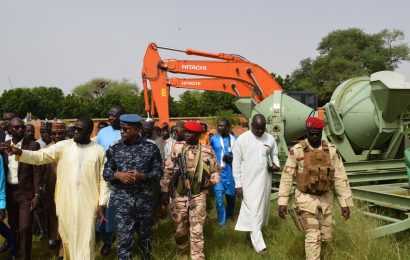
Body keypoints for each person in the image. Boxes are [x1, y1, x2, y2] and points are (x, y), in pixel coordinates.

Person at [1, 117, 109, 259]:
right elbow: (40, 157)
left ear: (89, 131)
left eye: (79, 130)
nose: (75, 132)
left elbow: (104, 180)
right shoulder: (63, 146)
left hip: (88, 202)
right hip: (65, 201)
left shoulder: (99, 151)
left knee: (86, 238)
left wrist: (102, 203)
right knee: (67, 237)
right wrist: (20, 153)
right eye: (75, 128)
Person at [278, 117, 353, 260]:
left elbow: (340, 176)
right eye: (311, 133)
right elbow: (287, 176)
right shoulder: (298, 150)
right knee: (313, 237)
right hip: (305, 199)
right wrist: (282, 202)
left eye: (317, 133)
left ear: (321, 132)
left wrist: (345, 204)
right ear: (306, 132)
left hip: (326, 200)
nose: (314, 136)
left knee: (326, 237)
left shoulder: (331, 150)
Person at [103, 114, 163, 260]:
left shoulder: (151, 148)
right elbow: (106, 173)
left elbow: (158, 172)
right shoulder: (114, 149)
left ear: (136, 130)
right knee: (124, 240)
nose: (122, 132)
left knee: (145, 237)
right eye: (121, 129)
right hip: (123, 202)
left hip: (144, 200)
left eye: (126, 129)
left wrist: (142, 176)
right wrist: (117, 175)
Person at [161, 121, 220, 260]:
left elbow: (215, 171)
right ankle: (182, 253)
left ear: (198, 135)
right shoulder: (178, 148)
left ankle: (197, 257)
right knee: (179, 230)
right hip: (178, 195)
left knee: (197, 230)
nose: (186, 134)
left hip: (198, 194)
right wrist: (164, 191)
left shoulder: (207, 150)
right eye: (185, 131)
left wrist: (211, 182)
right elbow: (168, 170)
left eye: (190, 132)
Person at [232, 114, 279, 255]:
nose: (260, 131)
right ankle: (260, 247)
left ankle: (252, 235)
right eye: (257, 128)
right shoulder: (242, 139)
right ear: (251, 125)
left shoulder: (269, 139)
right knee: (253, 211)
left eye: (262, 128)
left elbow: (275, 156)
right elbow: (236, 165)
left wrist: (275, 166)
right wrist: (238, 185)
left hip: (264, 181)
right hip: (247, 183)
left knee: (260, 211)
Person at [2, 117, 42, 259]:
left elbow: (37, 172)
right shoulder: (4, 145)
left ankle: (25, 257)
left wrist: (37, 194)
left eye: (22, 127)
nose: (20, 129)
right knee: (14, 226)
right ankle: (16, 253)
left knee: (25, 227)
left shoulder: (32, 146)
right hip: (9, 192)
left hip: (26, 193)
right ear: (9, 130)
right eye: (16, 127)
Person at [95, 105, 124, 257]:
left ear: (122, 116)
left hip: (123, 179)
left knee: (120, 211)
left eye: (114, 115)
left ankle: (122, 242)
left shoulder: (127, 131)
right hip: (105, 178)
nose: (110, 118)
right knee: (105, 208)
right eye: (109, 115)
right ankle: (107, 241)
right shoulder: (102, 132)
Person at [210, 120, 237, 226]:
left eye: (222, 126)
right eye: (218, 125)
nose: (219, 127)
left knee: (231, 198)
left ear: (228, 127)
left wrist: (233, 157)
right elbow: (209, 153)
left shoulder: (236, 139)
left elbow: (241, 155)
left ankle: (229, 216)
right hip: (218, 172)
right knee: (219, 198)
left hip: (231, 172)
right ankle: (222, 222)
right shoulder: (214, 139)